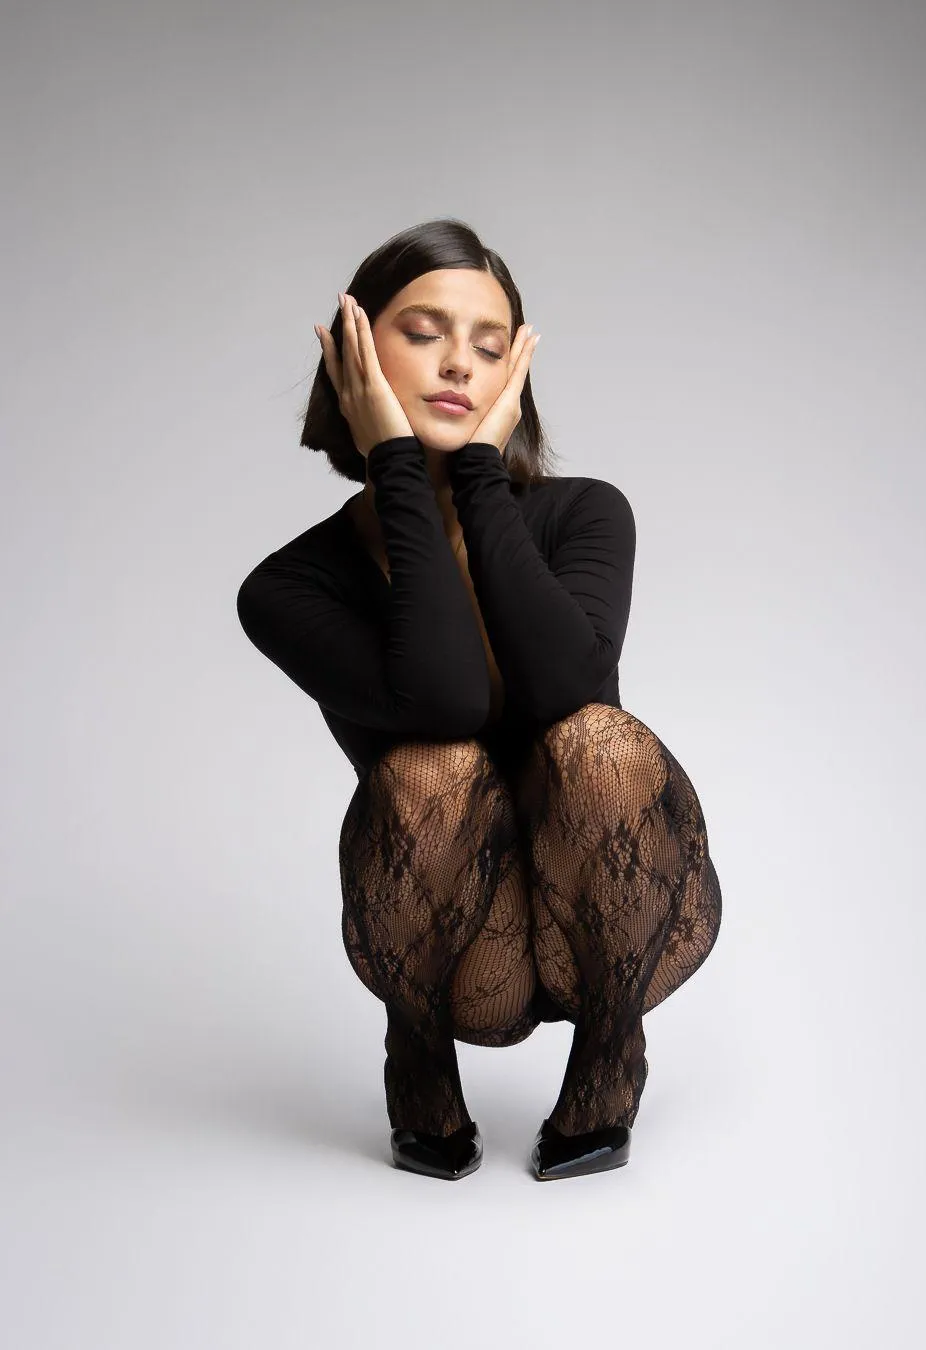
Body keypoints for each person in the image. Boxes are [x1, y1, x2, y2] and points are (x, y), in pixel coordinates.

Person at [235, 218, 722, 1181]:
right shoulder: (288, 588)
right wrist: (401, 474)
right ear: (353, 354)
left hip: (621, 922)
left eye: (491, 346)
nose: (461, 363)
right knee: (429, 765)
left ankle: (609, 1058)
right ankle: (416, 1058)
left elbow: (563, 691)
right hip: (457, 956)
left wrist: (483, 482)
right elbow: (445, 700)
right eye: (424, 332)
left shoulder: (586, 512)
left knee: (597, 742)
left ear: (515, 374)